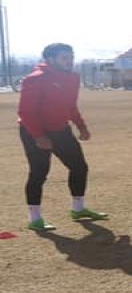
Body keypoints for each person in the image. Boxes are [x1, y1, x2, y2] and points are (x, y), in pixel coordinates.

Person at [17, 43, 108, 231]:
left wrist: (82, 127)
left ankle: (78, 209)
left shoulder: (73, 78)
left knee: (79, 167)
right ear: (50, 59)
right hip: (34, 131)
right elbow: (25, 112)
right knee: (39, 172)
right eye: (64, 58)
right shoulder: (35, 79)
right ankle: (35, 219)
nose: (70, 61)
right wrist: (39, 136)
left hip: (61, 130)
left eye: (71, 57)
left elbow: (71, 106)